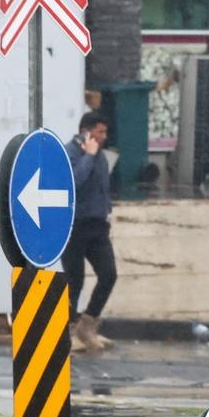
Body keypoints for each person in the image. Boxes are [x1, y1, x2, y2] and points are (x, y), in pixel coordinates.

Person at [64, 112, 118, 352]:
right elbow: (74, 182)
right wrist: (88, 155)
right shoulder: (70, 152)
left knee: (109, 274)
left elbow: (102, 186)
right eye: (100, 132)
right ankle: (67, 331)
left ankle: (88, 325)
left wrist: (106, 209)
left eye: (105, 132)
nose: (104, 137)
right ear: (86, 131)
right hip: (74, 225)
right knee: (74, 280)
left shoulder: (101, 156)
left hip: (97, 224)